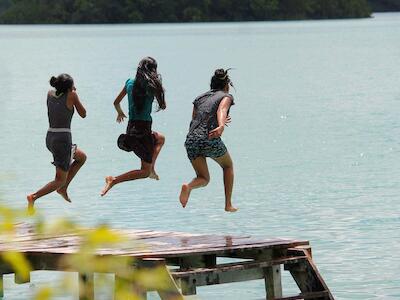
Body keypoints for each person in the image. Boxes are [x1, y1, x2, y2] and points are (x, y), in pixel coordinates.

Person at [101, 57, 166, 196]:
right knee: (144, 172)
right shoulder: (153, 85)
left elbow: (115, 102)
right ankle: (114, 180)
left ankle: (152, 168)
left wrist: (120, 113)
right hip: (143, 130)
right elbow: (163, 106)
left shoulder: (130, 82)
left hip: (131, 129)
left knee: (160, 138)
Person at [179, 68, 237, 212]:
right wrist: (221, 125)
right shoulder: (226, 96)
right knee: (227, 166)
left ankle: (189, 187)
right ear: (226, 86)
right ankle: (228, 204)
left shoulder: (199, 98)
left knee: (203, 178)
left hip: (191, 140)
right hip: (209, 138)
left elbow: (195, 119)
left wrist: (218, 121)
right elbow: (221, 110)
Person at [27, 74, 87, 210]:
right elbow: (83, 114)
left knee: (81, 157)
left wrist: (70, 90)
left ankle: (63, 188)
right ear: (69, 87)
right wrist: (74, 93)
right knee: (59, 179)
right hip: (63, 140)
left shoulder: (49, 94)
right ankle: (34, 196)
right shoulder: (72, 95)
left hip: (50, 137)